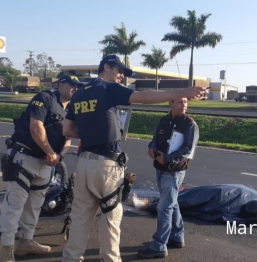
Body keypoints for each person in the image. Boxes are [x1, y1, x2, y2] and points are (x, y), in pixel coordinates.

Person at [61, 54, 207, 262]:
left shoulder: (80, 93)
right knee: (111, 218)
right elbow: (143, 96)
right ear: (106, 67)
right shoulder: (108, 89)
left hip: (84, 163)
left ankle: (70, 258)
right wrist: (184, 92)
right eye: (119, 70)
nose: (122, 75)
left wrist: (92, 132)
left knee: (80, 218)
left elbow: (67, 129)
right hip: (106, 165)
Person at [0, 75, 82, 262]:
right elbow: (36, 128)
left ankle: (25, 242)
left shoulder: (71, 109)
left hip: (46, 163)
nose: (75, 89)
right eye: (71, 85)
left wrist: (58, 156)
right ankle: (6, 248)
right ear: (61, 84)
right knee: (14, 205)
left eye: (78, 86)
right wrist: (50, 151)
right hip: (24, 158)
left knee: (35, 206)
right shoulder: (44, 98)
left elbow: (68, 137)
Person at [137, 97, 199, 259]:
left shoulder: (190, 124)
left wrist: (168, 158)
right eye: (180, 102)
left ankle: (159, 245)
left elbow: (187, 150)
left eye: (185, 102)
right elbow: (154, 140)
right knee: (172, 203)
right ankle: (177, 237)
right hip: (160, 168)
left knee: (164, 207)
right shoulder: (163, 121)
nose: (184, 105)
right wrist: (152, 148)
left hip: (174, 170)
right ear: (170, 103)